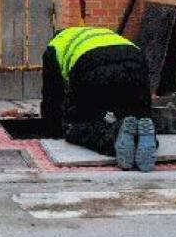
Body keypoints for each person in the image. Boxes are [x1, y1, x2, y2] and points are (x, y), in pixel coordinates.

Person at [40, 26, 157, 171]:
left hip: (91, 65)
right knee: (138, 118)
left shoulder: (54, 46)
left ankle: (114, 137)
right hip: (135, 62)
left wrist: (54, 130)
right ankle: (144, 138)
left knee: (78, 126)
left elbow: (52, 97)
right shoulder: (99, 32)